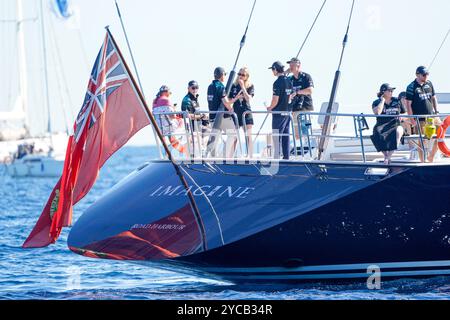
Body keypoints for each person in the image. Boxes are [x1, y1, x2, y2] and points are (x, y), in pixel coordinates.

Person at [405, 66, 440, 162]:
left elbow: (434, 98)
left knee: (440, 136)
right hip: (419, 118)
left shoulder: (429, 83)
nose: (426, 77)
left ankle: (431, 157)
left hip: (432, 117)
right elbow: (408, 104)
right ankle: (423, 161)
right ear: (417, 74)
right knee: (422, 141)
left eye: (427, 74)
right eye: (424, 75)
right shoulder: (411, 87)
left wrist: (436, 112)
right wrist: (412, 119)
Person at [206, 67, 237, 158]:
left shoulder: (210, 86)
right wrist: (235, 100)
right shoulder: (220, 86)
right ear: (222, 75)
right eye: (224, 74)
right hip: (221, 117)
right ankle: (224, 157)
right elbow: (226, 103)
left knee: (215, 138)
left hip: (212, 117)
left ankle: (213, 158)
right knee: (233, 135)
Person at [370, 83, 404, 164]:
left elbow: (404, 112)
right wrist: (382, 101)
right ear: (383, 92)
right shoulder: (376, 102)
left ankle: (388, 157)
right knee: (377, 133)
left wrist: (401, 116)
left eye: (392, 90)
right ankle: (386, 156)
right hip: (381, 125)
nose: (391, 92)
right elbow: (377, 113)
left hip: (395, 124)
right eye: (389, 90)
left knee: (399, 131)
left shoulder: (397, 101)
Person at [266, 61, 293, 160]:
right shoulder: (289, 81)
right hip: (287, 112)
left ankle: (276, 157)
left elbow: (275, 100)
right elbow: (290, 96)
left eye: (273, 70)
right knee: (286, 135)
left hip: (278, 113)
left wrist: (270, 108)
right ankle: (286, 157)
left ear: (276, 70)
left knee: (276, 136)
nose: (272, 72)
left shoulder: (277, 82)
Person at [152, 85, 187, 155]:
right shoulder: (166, 100)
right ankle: (185, 152)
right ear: (166, 92)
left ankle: (169, 154)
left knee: (172, 140)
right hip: (169, 127)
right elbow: (172, 116)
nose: (170, 95)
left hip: (159, 128)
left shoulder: (155, 102)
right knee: (183, 125)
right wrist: (174, 109)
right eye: (170, 93)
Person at [229, 67, 255, 157]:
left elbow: (249, 99)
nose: (240, 76)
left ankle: (250, 156)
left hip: (246, 112)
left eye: (243, 75)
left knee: (248, 135)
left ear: (247, 76)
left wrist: (243, 87)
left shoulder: (250, 85)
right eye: (239, 74)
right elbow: (228, 99)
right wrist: (235, 98)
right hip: (236, 112)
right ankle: (230, 156)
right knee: (234, 136)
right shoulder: (233, 85)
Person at [286, 57, 314, 141]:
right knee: (297, 135)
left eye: (292, 64)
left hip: (305, 108)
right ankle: (300, 151)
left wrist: (297, 92)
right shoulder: (289, 79)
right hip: (294, 109)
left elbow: (310, 90)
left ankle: (308, 148)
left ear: (298, 65)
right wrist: (284, 73)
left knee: (306, 133)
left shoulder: (306, 76)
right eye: (290, 64)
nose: (290, 66)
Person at [181, 80, 209, 153]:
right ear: (188, 88)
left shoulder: (195, 98)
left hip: (198, 127)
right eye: (193, 88)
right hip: (191, 129)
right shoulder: (186, 100)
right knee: (196, 147)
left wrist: (204, 118)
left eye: (196, 87)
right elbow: (188, 116)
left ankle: (205, 153)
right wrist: (201, 116)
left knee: (211, 134)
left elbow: (197, 113)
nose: (195, 89)